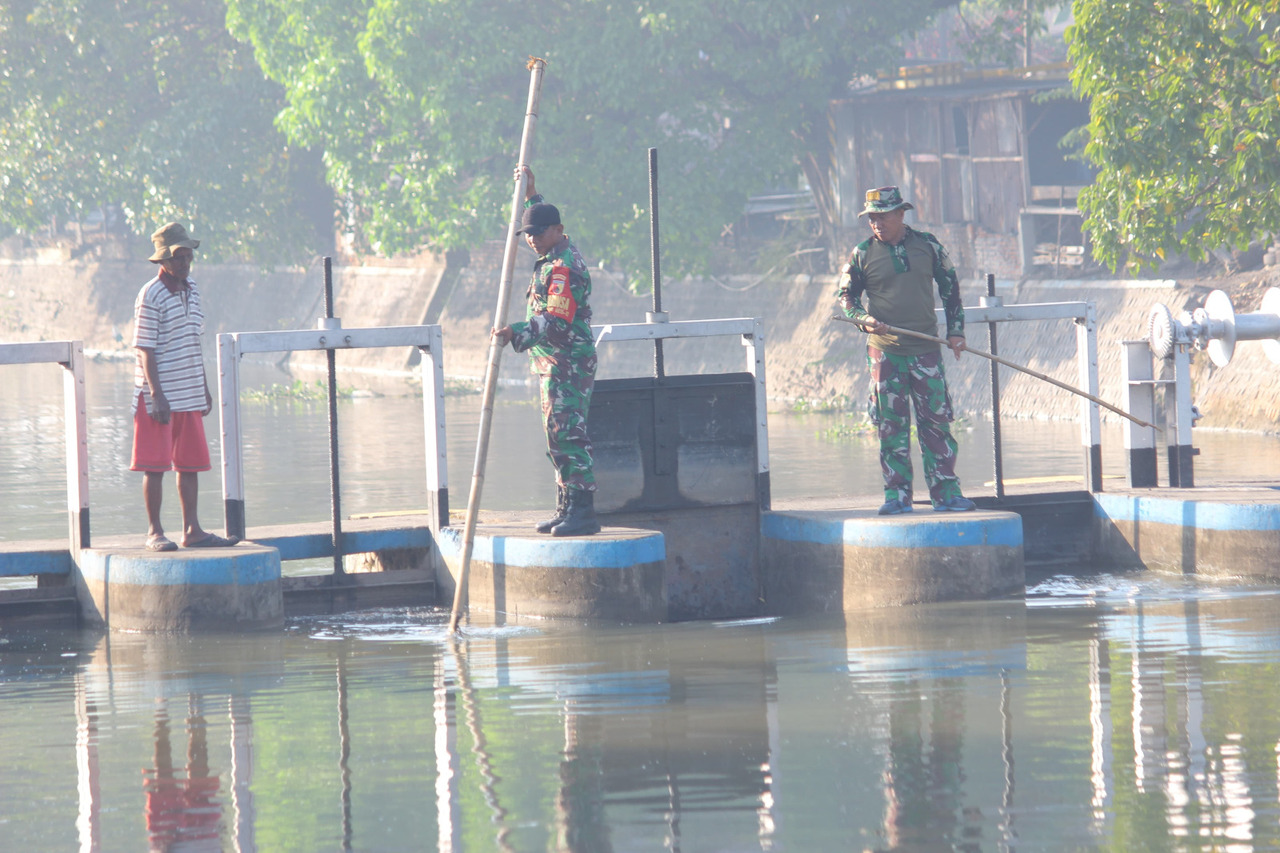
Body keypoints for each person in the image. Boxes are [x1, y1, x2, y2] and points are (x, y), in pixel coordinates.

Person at [835, 186, 977, 515]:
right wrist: (865, 320)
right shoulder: (862, 254)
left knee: (936, 423)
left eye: (882, 217)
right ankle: (897, 496)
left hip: (926, 349)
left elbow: (950, 288)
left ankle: (946, 494)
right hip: (885, 354)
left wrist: (956, 331)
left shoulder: (927, 246)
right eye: (872, 218)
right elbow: (847, 300)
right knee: (890, 424)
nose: (877, 224)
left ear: (901, 214)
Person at [492, 165, 601, 536]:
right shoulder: (553, 255)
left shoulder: (564, 268)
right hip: (552, 363)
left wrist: (514, 332)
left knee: (569, 434)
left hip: (568, 362)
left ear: (557, 230)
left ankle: (583, 511)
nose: (532, 239)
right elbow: (540, 212)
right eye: (527, 234)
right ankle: (565, 506)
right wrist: (530, 194)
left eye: (539, 233)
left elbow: (554, 321)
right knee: (556, 434)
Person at [131, 222, 240, 550]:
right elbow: (145, 348)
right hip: (159, 394)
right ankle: (155, 532)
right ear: (163, 260)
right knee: (155, 465)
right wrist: (156, 394)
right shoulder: (150, 294)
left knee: (189, 463)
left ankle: (192, 530)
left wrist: (203, 387)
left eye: (188, 256)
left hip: (189, 389)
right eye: (178, 257)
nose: (185, 262)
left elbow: (194, 341)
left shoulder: (192, 288)